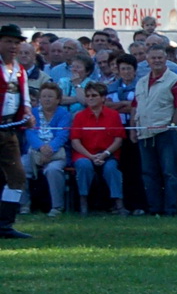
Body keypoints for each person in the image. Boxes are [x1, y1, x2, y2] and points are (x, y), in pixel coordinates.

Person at [132, 45, 177, 217]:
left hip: (165, 133)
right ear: (147, 60)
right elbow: (135, 106)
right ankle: (154, 209)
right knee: (149, 173)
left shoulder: (175, 80)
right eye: (153, 58)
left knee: (169, 173)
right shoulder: (141, 82)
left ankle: (170, 210)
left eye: (160, 58)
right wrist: (133, 129)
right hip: (144, 133)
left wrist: (172, 125)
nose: (157, 61)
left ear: (166, 59)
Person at [0, 24, 36, 237]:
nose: (13, 46)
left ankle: (5, 224)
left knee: (17, 177)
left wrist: (28, 114)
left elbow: (26, 98)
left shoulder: (19, 70)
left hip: (9, 130)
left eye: (16, 42)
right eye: (9, 41)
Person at [70, 82, 126, 214]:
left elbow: (119, 140)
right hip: (85, 154)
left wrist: (105, 154)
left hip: (108, 154)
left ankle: (119, 203)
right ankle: (83, 201)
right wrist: (91, 156)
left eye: (94, 95)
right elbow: (75, 141)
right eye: (88, 95)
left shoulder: (113, 115)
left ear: (103, 98)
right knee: (84, 166)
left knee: (111, 169)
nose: (90, 98)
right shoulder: (79, 116)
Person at [23, 79, 71, 217]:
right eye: (44, 96)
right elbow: (30, 133)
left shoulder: (64, 114)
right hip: (34, 151)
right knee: (20, 167)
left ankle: (57, 207)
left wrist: (49, 149)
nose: (46, 99)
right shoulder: (32, 113)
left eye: (50, 96)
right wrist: (41, 147)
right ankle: (24, 205)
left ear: (58, 100)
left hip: (56, 152)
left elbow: (62, 135)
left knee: (53, 169)